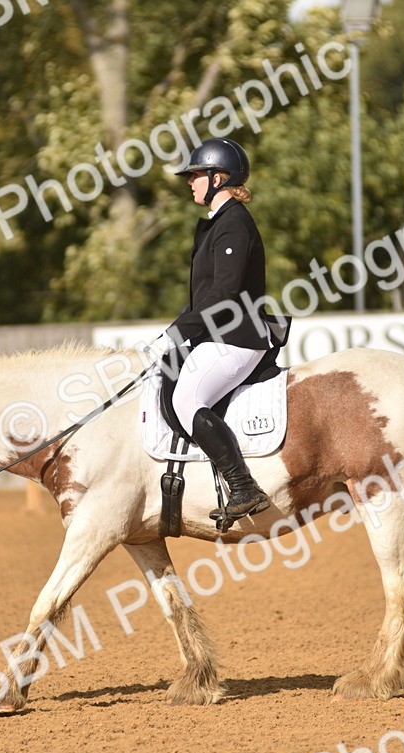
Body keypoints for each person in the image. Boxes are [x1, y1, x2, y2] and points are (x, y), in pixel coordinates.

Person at [146, 137, 272, 521]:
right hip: (218, 334)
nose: (190, 181)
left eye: (197, 174)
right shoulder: (219, 223)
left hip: (239, 336)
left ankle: (244, 487)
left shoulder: (234, 223)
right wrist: (171, 335)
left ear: (220, 177)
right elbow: (204, 295)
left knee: (187, 401)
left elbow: (223, 294)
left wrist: (175, 334)